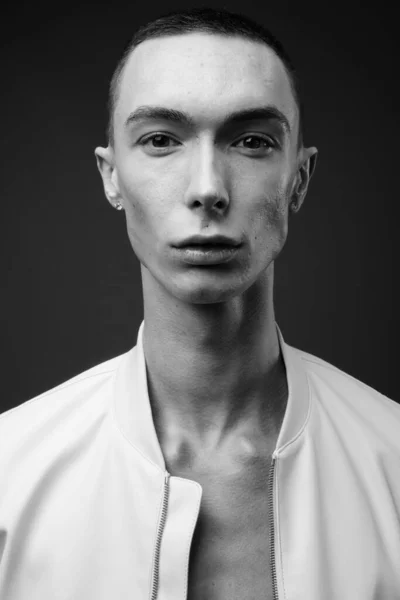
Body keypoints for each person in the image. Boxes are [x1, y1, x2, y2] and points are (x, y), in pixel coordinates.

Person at [1, 7, 399, 600]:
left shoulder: (392, 462)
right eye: (161, 140)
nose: (208, 188)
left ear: (300, 179)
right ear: (112, 177)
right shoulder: (10, 474)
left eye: (253, 141)